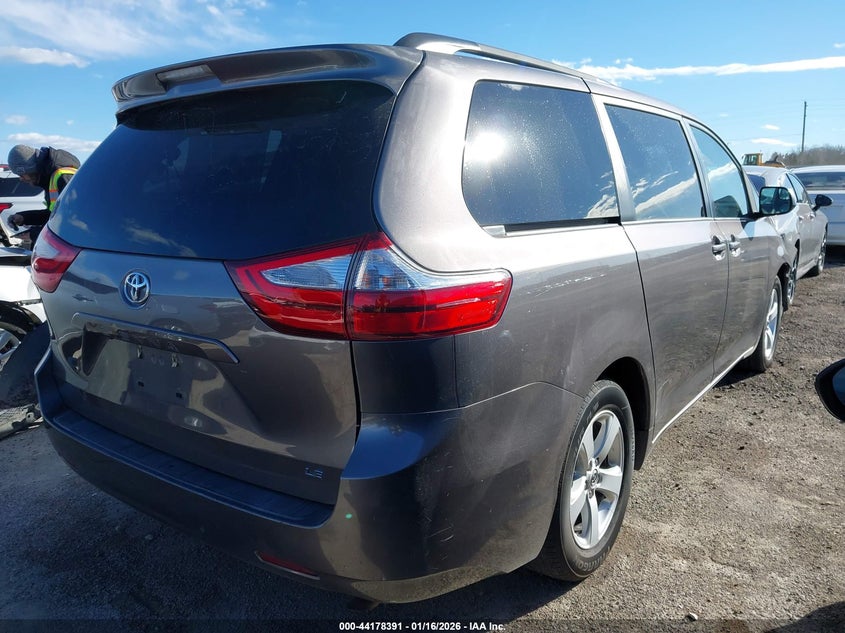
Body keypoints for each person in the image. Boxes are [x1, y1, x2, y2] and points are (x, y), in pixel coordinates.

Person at [6, 144, 80, 243]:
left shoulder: (63, 176)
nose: (21, 179)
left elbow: (72, 222)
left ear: (30, 169)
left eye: (21, 175)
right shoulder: (50, 177)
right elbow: (53, 216)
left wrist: (35, 234)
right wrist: (24, 217)